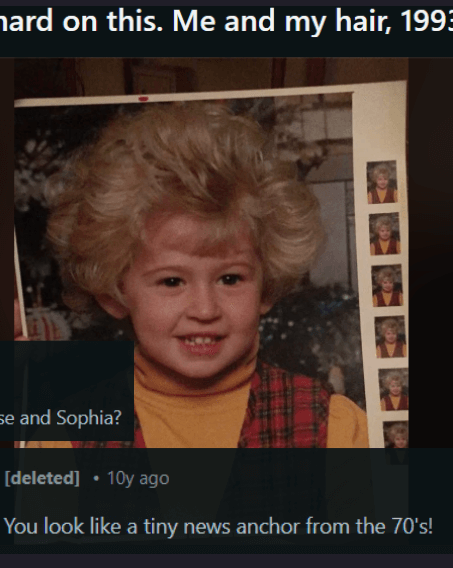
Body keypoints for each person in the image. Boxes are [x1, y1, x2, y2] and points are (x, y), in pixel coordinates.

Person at [24, 103, 368, 449]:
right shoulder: (65, 438)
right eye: (172, 281)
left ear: (267, 288)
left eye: (230, 279)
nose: (205, 310)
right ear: (113, 293)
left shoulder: (333, 427)